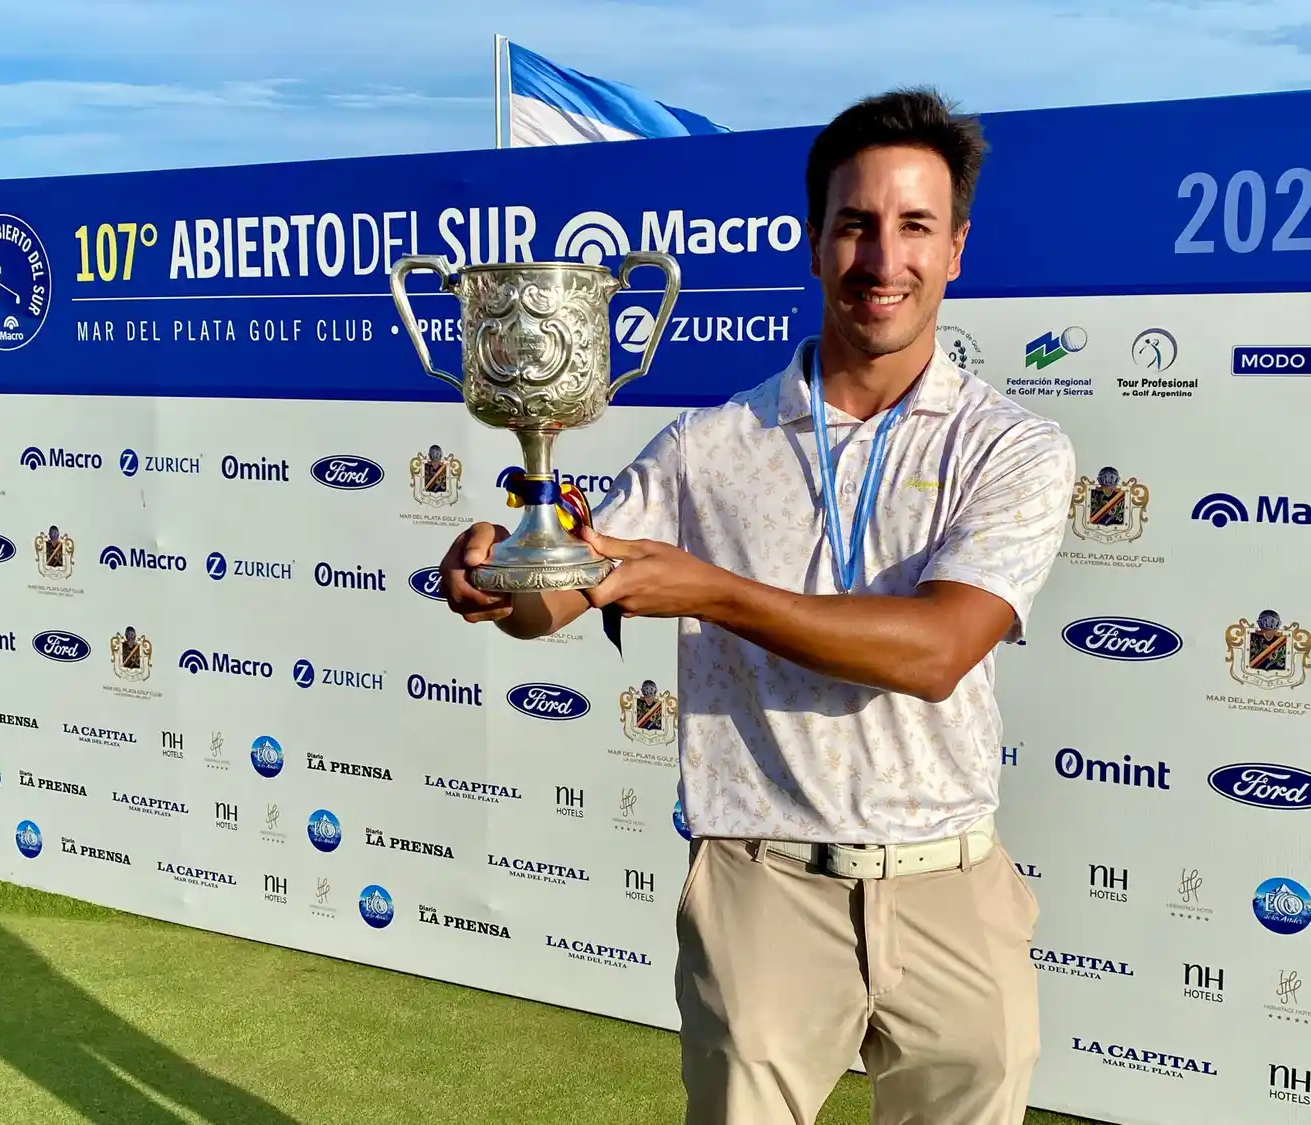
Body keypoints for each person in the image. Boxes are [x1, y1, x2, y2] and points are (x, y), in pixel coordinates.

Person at [439, 87, 1076, 1125]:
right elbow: (568, 594)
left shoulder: (1011, 447)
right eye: (856, 225)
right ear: (813, 243)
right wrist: (504, 574)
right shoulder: (710, 446)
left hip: (952, 885)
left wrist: (713, 593)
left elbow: (937, 652)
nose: (884, 259)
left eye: (915, 226)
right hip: (762, 886)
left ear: (957, 247)